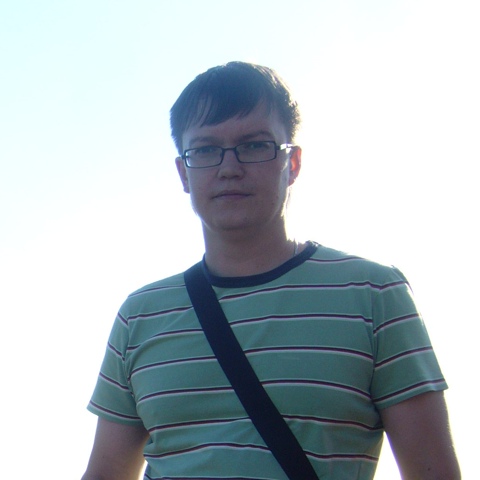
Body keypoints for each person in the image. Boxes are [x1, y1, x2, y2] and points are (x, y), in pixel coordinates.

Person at [82, 61, 461, 480]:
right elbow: (105, 473)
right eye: (205, 149)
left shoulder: (374, 295)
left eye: (254, 145)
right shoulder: (140, 315)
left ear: (292, 163)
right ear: (183, 173)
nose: (229, 167)